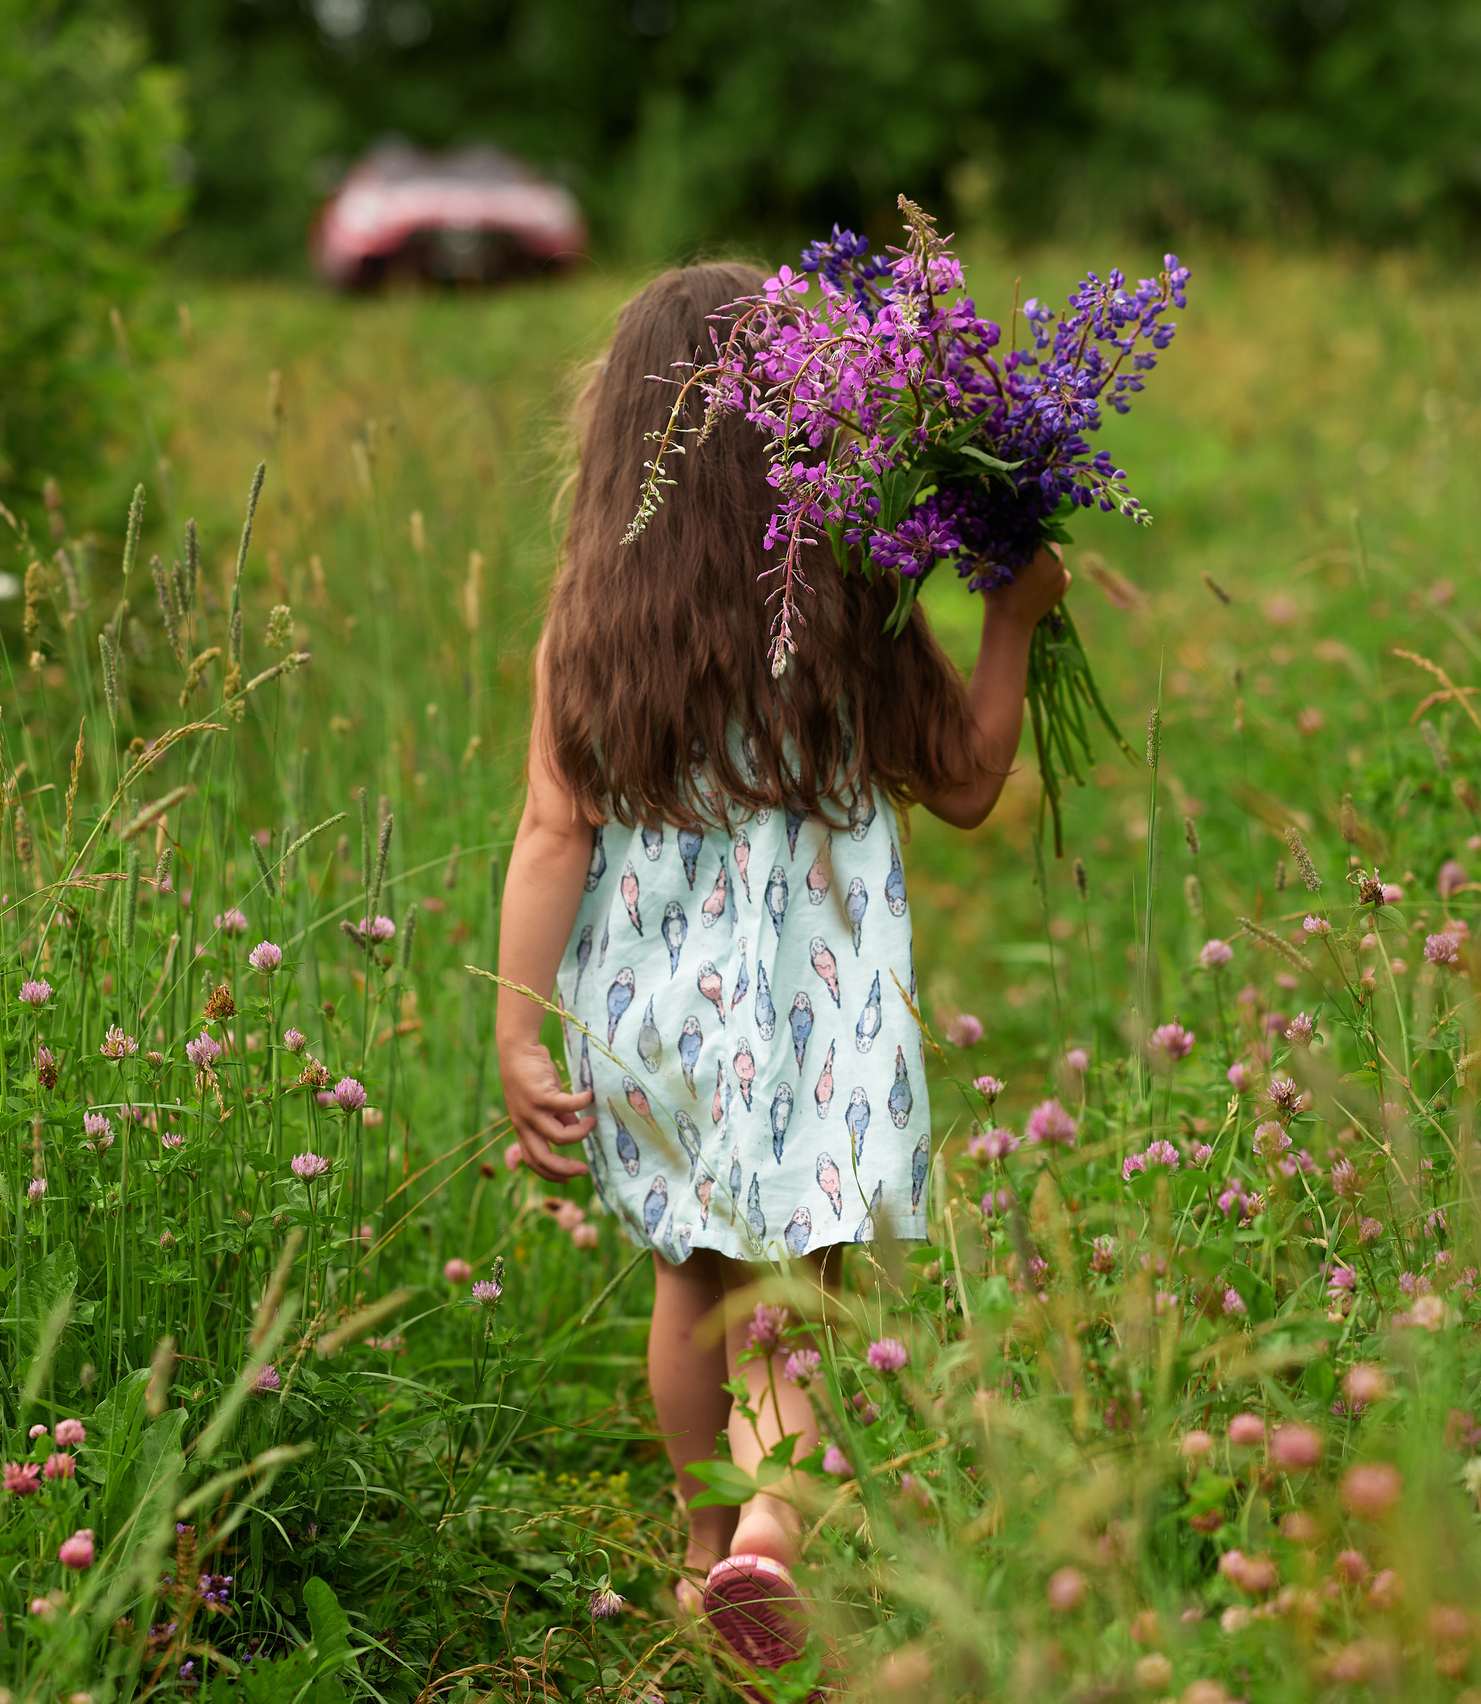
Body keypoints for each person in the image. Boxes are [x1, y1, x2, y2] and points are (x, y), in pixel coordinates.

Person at [492, 261, 1068, 1674]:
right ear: (813, 434)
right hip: (819, 1020)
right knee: (803, 1293)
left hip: (652, 1019)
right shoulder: (852, 609)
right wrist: (1014, 619)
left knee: (692, 1278)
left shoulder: (589, 625)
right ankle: (768, 1537)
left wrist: (520, 1025)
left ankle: (701, 1560)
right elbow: (970, 781)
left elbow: (551, 830)